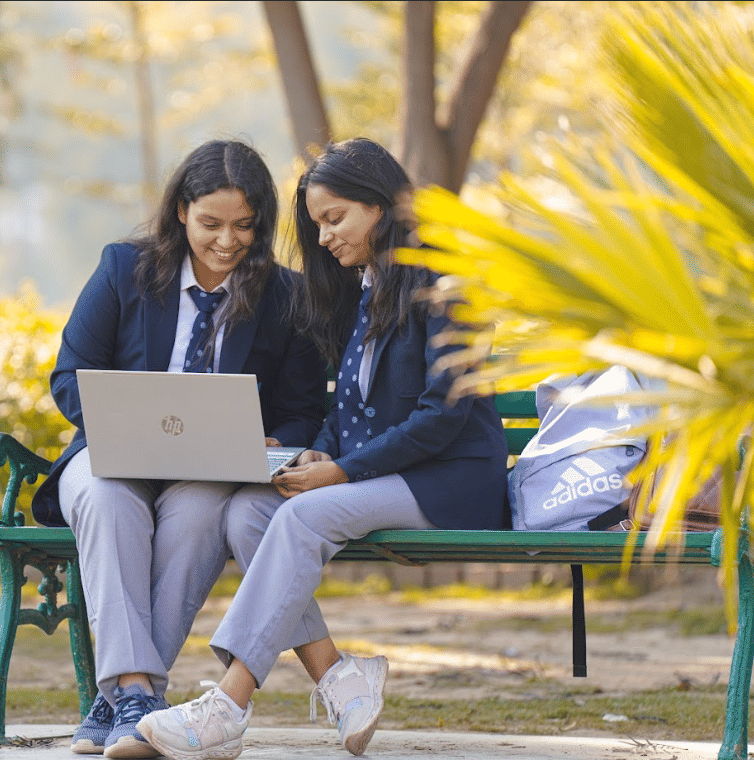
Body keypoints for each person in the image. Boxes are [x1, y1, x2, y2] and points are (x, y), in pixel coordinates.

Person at [136, 137, 509, 760]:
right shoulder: (367, 288)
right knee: (249, 513)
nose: (325, 237)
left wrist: (342, 471)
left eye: (335, 218)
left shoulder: (449, 285)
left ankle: (227, 705)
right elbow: (349, 407)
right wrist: (318, 453)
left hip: (451, 480)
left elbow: (441, 417)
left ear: (381, 205)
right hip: (391, 476)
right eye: (317, 224)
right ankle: (339, 677)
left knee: (303, 516)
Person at [29, 138, 328, 758]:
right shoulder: (125, 268)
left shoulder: (285, 295)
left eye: (244, 225)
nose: (227, 241)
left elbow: (303, 407)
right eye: (210, 224)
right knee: (106, 501)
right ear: (181, 212)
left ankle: (122, 701)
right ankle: (138, 696)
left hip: (210, 469)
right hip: (113, 456)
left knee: (198, 518)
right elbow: (69, 374)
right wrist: (121, 424)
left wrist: (277, 440)